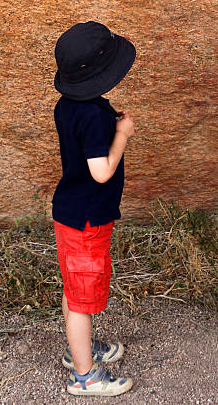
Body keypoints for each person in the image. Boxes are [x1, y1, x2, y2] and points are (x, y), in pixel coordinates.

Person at [52, 20, 137, 396]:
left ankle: (80, 350)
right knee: (82, 299)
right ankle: (84, 376)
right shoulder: (94, 116)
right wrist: (121, 134)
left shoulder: (68, 107)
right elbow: (101, 171)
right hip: (87, 220)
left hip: (71, 212)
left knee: (76, 290)